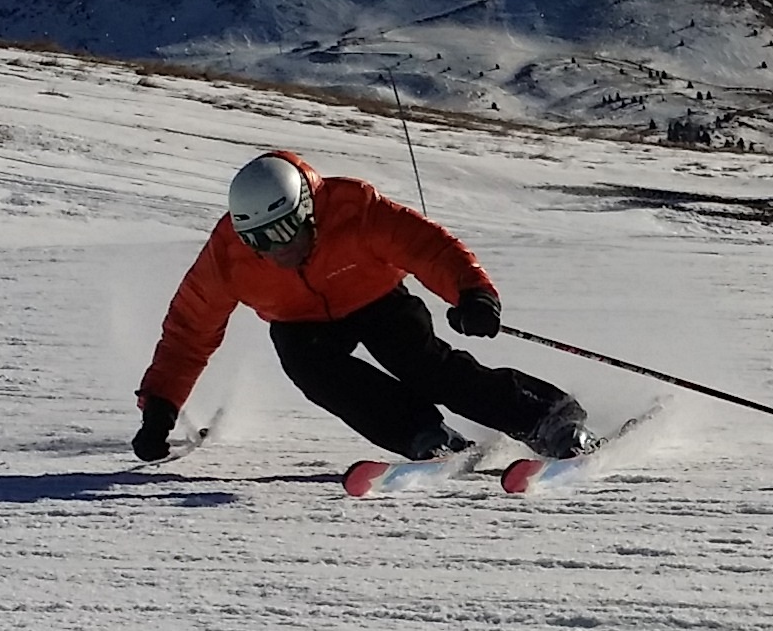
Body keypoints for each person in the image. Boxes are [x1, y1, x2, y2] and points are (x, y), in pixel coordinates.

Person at [134, 151, 587, 463]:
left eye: (284, 232)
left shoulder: (353, 208)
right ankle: (425, 437)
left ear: (307, 209)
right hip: (300, 322)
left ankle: (548, 417)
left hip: (376, 299)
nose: (276, 251)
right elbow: (188, 332)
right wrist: (161, 408)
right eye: (259, 241)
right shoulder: (228, 256)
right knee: (316, 374)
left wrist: (472, 293)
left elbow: (427, 246)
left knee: (424, 366)